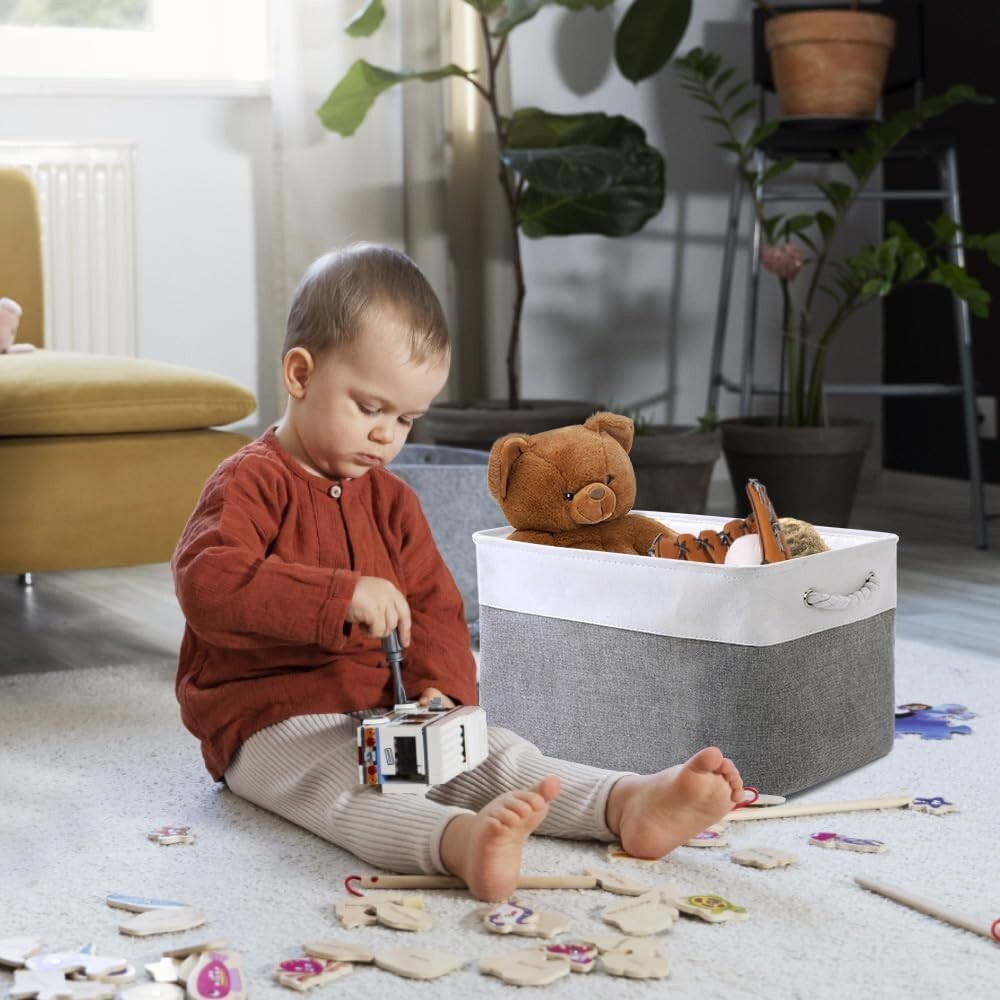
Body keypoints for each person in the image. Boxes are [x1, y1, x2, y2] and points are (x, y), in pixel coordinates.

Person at [172, 243, 746, 902]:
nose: (388, 436)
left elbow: (437, 608)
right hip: (269, 716)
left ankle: (623, 804)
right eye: (370, 407)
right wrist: (338, 596)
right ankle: (457, 843)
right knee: (344, 789)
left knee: (497, 752)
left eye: (407, 418)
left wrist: (442, 693)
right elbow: (208, 583)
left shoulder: (392, 499)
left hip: (389, 707)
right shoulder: (251, 481)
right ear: (301, 374)